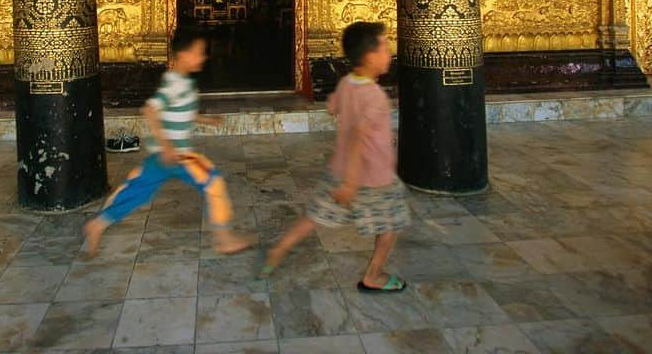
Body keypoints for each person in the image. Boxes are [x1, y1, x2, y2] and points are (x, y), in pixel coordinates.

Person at [260, 21, 411, 291]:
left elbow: (332, 107)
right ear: (369, 56)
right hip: (371, 178)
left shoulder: (346, 83)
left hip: (338, 170)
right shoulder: (375, 96)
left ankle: (278, 250)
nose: (390, 53)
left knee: (314, 216)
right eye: (385, 47)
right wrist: (352, 182)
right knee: (391, 224)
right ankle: (373, 275)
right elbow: (357, 138)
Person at [83, 27, 252, 257]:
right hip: (176, 155)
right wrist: (167, 145)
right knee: (214, 182)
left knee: (137, 192)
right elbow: (150, 110)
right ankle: (223, 239)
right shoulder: (174, 82)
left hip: (163, 157)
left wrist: (206, 119)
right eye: (199, 52)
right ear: (183, 55)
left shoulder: (182, 82)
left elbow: (181, 112)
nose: (204, 57)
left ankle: (98, 225)